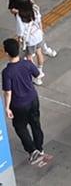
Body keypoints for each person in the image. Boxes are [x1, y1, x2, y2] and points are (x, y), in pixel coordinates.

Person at [2, 36, 49, 166]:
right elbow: (38, 75)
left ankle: (32, 150)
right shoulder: (27, 63)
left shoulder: (7, 72)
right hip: (33, 99)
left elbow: (8, 92)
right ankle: (40, 148)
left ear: (6, 53)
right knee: (35, 123)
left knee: (20, 126)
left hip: (18, 104)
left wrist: (7, 108)